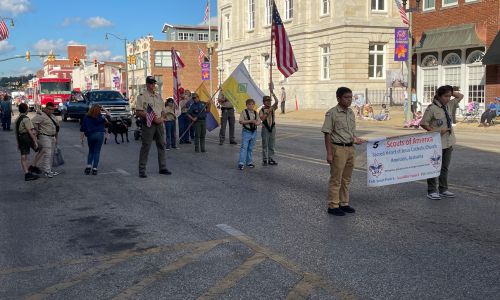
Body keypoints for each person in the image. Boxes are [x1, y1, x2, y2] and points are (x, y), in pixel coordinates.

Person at [321, 87, 365, 216]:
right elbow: (327, 134)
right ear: (338, 98)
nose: (349, 100)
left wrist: (355, 139)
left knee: (346, 179)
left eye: (351, 97)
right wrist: (329, 153)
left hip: (350, 148)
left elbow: (349, 132)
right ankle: (333, 205)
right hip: (338, 149)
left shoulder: (351, 113)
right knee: (336, 179)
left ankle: (344, 203)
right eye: (346, 97)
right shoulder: (332, 113)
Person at [420, 85, 464, 200]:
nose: (448, 98)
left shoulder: (449, 105)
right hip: (436, 142)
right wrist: (436, 131)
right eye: (445, 96)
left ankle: (443, 189)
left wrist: (450, 91)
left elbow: (461, 96)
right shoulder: (432, 108)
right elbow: (424, 123)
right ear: (439, 96)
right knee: (433, 166)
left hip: (448, 142)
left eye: (449, 96)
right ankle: (432, 191)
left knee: (444, 167)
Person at [135, 76, 171, 178]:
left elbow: (163, 110)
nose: (153, 85)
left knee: (161, 145)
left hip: (159, 123)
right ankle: (142, 170)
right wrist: (153, 118)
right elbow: (138, 111)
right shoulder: (142, 96)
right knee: (146, 146)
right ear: (147, 84)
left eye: (154, 83)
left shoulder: (158, 96)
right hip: (149, 124)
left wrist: (162, 118)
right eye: (150, 83)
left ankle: (162, 167)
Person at [31, 102, 60, 178]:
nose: (51, 111)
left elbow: (57, 126)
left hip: (51, 137)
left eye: (53, 109)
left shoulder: (53, 116)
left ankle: (47, 169)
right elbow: (33, 122)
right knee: (47, 154)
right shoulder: (41, 115)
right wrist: (37, 130)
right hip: (44, 136)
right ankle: (47, 171)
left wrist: (56, 138)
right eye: (50, 109)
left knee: (49, 154)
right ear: (46, 109)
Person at [80, 104, 110, 175]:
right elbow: (109, 116)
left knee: (91, 151)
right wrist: (104, 108)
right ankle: (94, 169)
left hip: (90, 135)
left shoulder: (86, 117)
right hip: (100, 135)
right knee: (97, 152)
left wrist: (81, 139)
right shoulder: (101, 117)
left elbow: (82, 129)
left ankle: (88, 167)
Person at [15, 103, 39, 181]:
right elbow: (30, 131)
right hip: (26, 137)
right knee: (42, 149)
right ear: (26, 110)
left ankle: (27, 173)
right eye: (27, 108)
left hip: (20, 137)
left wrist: (18, 142)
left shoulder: (17, 119)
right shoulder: (26, 119)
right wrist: (35, 141)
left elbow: (16, 132)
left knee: (23, 156)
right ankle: (33, 166)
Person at [238, 98, 261, 170]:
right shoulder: (244, 112)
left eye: (252, 104)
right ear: (246, 105)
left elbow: (259, 121)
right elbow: (241, 121)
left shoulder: (255, 113)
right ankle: (241, 163)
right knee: (244, 147)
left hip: (253, 132)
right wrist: (250, 121)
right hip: (246, 132)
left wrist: (256, 123)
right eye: (249, 104)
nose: (251, 106)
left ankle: (249, 162)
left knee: (250, 148)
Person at [259, 93, 279, 166]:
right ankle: (264, 159)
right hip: (265, 128)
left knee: (271, 144)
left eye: (269, 101)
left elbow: (277, 102)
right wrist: (268, 112)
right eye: (267, 101)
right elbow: (262, 118)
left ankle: (270, 158)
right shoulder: (262, 110)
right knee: (265, 144)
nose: (268, 102)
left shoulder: (272, 108)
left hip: (273, 128)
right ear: (264, 102)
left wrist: (273, 93)